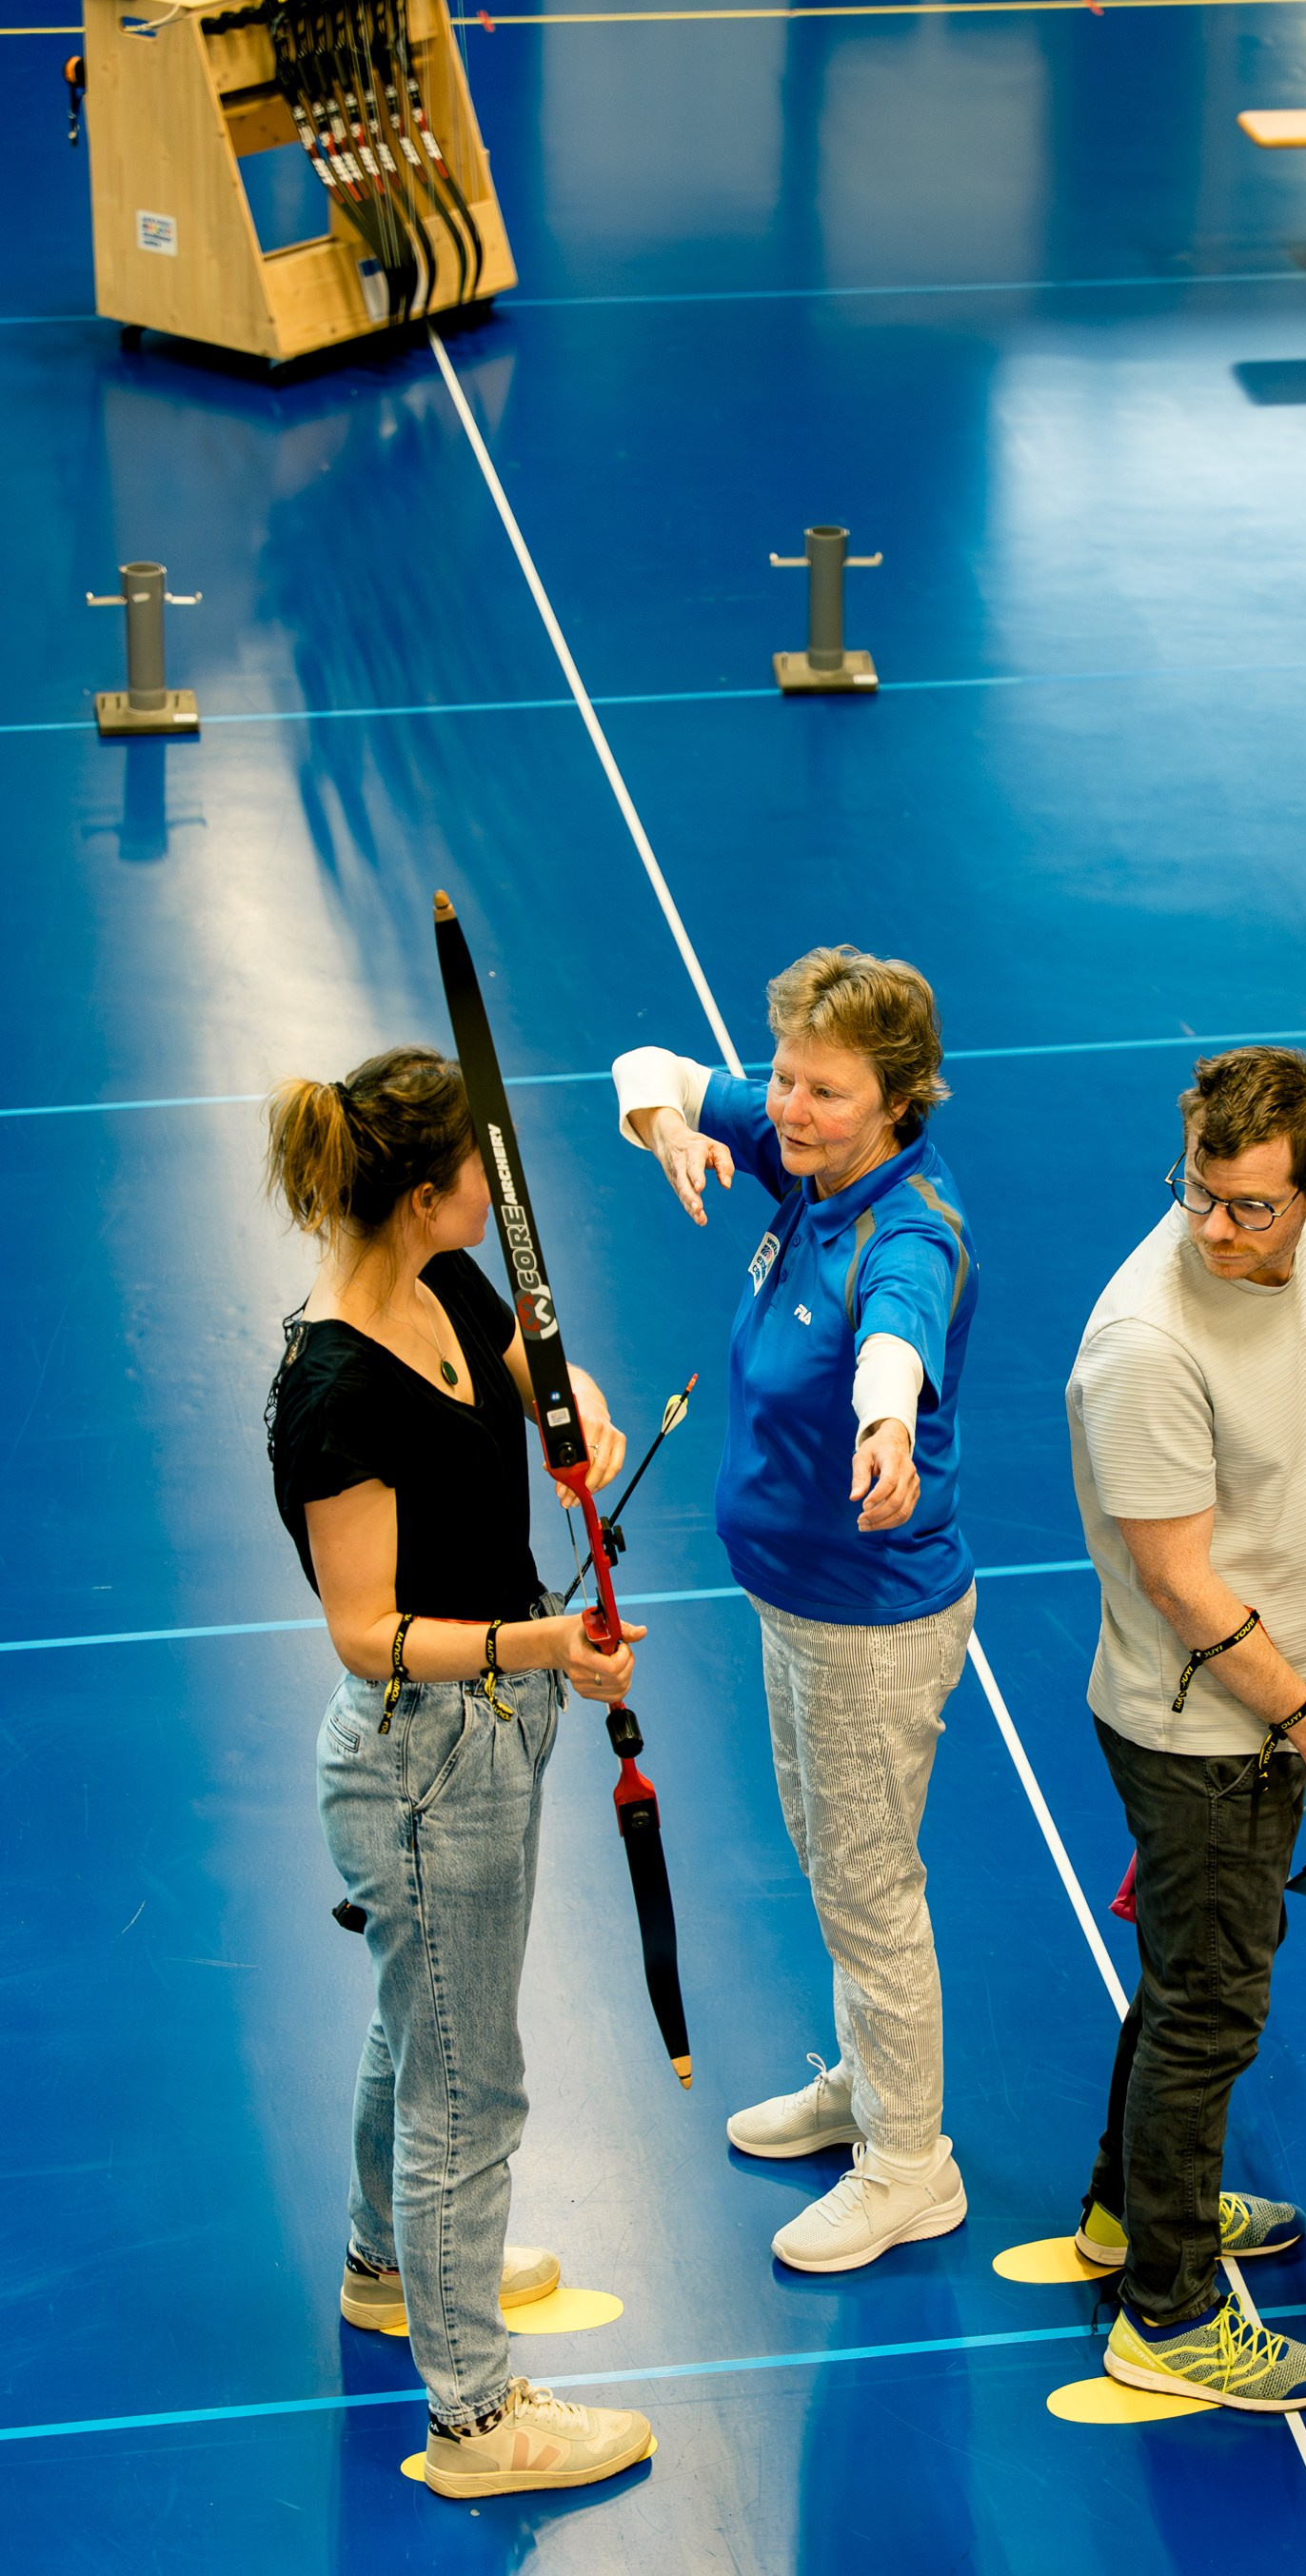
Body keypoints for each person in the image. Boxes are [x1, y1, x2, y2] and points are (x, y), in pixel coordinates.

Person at [264, 1044, 657, 2501]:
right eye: (478, 1184)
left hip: (493, 1723)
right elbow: (367, 1635)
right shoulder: (336, 1395)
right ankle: (477, 2423)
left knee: (414, 2023)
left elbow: (536, 1376)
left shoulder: (441, 1282)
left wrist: (586, 1415)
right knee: (466, 2087)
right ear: (426, 1193)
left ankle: (389, 2267)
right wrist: (551, 1637)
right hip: (427, 1758)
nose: (496, 1202)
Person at [611, 945, 979, 2274]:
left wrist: (887, 1424)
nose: (792, 1108)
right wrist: (667, 1126)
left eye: (828, 1091)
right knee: (834, 1866)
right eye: (785, 1079)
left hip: (871, 1620)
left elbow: (897, 1333)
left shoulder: (908, 1231)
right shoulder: (802, 1162)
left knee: (872, 1887)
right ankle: (868, 2092)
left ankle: (911, 2164)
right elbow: (643, 1067)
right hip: (794, 1607)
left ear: (898, 1100)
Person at [1065, 1045, 1306, 2413]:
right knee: (1211, 2010)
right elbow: (1178, 1580)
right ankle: (1166, 2315)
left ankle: (1126, 2211)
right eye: (1197, 1191)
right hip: (1201, 1732)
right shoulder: (1144, 1343)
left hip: (1286, 1689)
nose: (1214, 1227)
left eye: (1250, 1205)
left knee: (1183, 1985)